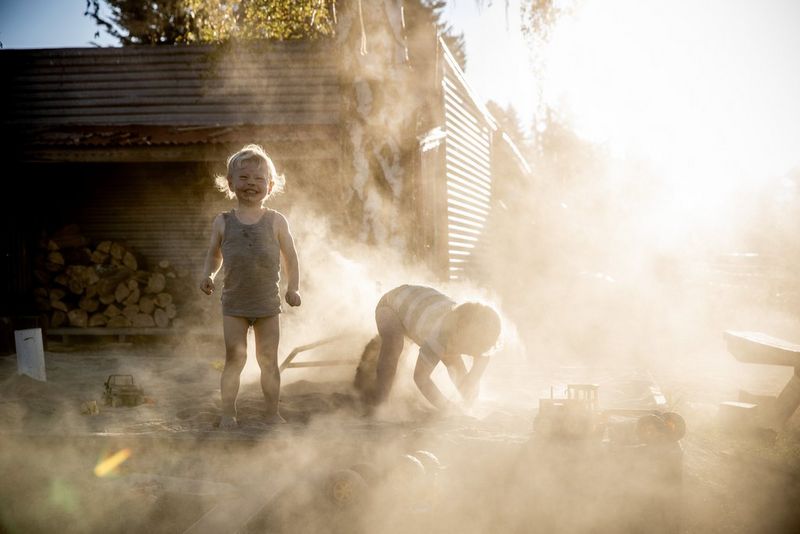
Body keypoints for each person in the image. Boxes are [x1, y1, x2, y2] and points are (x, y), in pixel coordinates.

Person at [200, 144, 301, 429]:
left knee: (268, 361)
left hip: (268, 305)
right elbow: (214, 255)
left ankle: (271, 413)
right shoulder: (223, 222)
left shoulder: (276, 221)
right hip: (234, 305)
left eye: (258, 179)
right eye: (243, 178)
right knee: (235, 358)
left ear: (270, 185)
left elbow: (290, 256)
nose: (251, 184)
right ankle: (228, 413)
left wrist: (293, 288)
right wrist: (208, 274)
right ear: (230, 183)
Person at [356, 284, 501, 413]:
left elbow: (474, 372)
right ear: (458, 331)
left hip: (421, 306)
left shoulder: (477, 342)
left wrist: (471, 391)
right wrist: (447, 407)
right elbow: (420, 378)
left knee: (455, 366)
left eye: (480, 348)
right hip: (390, 305)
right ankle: (380, 403)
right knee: (394, 344)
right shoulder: (439, 335)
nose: (475, 351)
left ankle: (470, 405)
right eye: (472, 346)